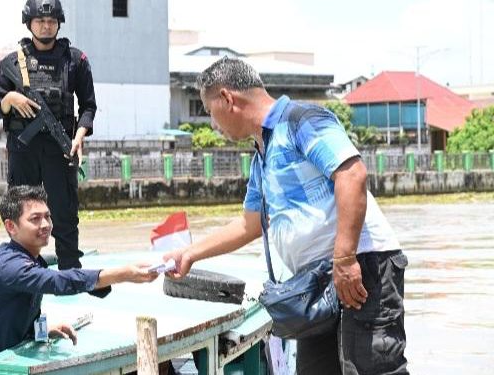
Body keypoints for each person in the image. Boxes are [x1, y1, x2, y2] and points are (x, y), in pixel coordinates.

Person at [163, 57, 408, 375]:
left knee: (370, 368)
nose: (213, 125)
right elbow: (250, 224)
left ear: (227, 99)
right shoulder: (261, 155)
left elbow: (351, 175)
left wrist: (345, 259)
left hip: (360, 266)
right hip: (315, 283)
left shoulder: (300, 120)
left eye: (210, 112)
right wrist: (190, 253)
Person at [0, 185, 157, 375]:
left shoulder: (34, 260)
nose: (46, 224)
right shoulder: (9, 265)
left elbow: (12, 314)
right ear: (11, 226)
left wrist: (40, 330)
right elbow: (59, 281)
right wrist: (123, 274)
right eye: (35, 219)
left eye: (47, 216)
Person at [0, 0, 96, 272]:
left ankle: (70, 270)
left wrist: (79, 136)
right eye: (40, 21)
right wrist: (11, 98)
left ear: (59, 23)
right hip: (23, 150)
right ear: (29, 23)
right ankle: (23, 267)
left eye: (51, 22)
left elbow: (88, 106)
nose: (46, 26)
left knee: (64, 212)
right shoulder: (14, 62)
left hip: (60, 149)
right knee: (22, 210)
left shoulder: (75, 60)